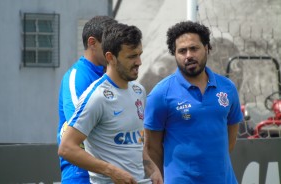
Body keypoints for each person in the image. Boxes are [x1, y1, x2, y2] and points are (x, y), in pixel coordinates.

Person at [58, 23, 163, 184]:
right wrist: (111, 171)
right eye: (131, 57)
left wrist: (151, 168)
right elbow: (66, 148)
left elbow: (136, 140)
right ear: (110, 57)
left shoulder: (139, 91)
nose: (139, 62)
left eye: (139, 54)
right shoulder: (97, 96)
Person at [143, 21, 243, 184]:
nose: (188, 55)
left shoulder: (228, 88)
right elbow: (152, 148)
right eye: (182, 51)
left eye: (194, 48)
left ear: (207, 48)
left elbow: (230, 139)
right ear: (174, 54)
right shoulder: (161, 94)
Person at [57, 16, 118, 184]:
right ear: (92, 43)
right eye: (109, 43)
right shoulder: (77, 76)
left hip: (110, 173)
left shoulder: (112, 76)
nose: (114, 50)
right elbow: (79, 127)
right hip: (80, 174)